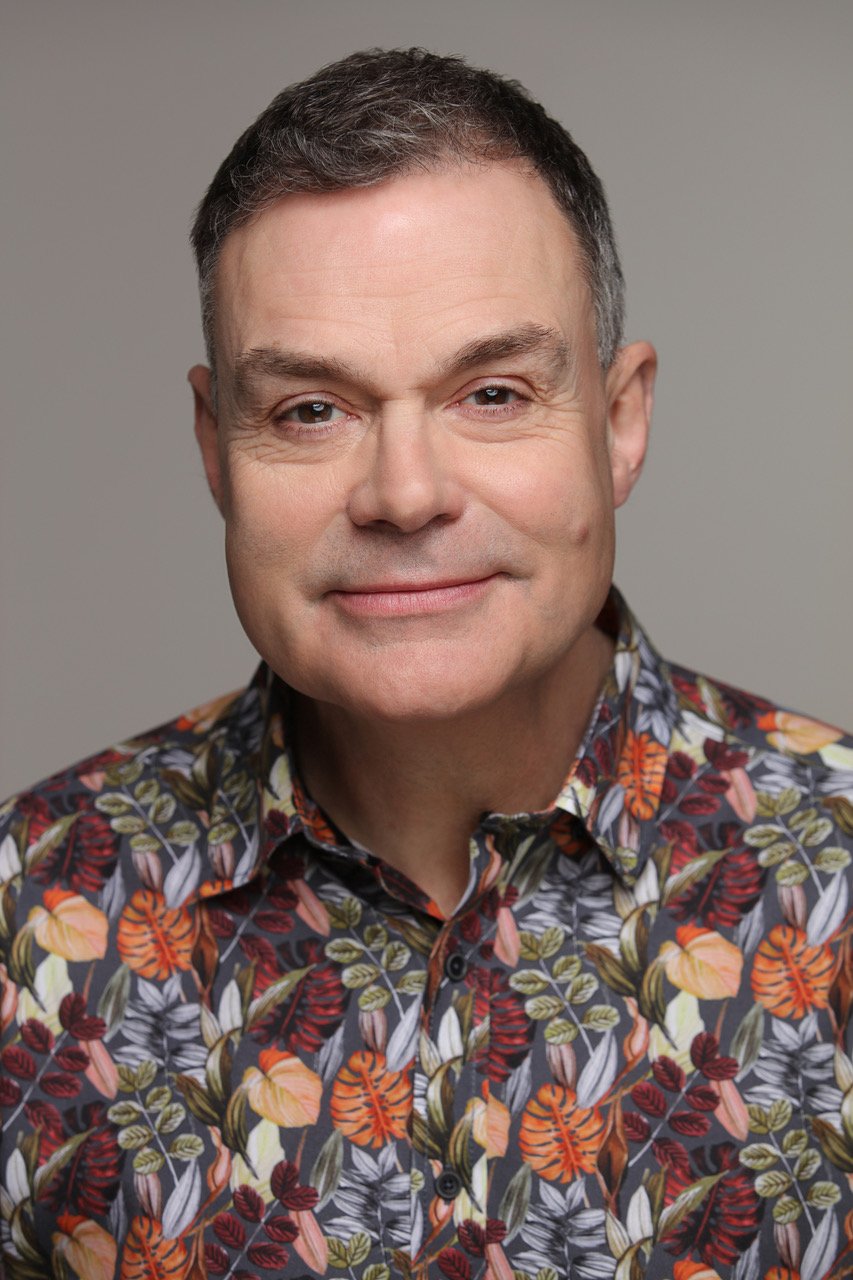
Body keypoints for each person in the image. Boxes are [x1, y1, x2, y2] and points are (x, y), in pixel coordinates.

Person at [1, 47, 851, 1280]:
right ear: (213, 447)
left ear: (621, 423)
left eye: (493, 393)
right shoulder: (33, 913)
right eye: (311, 411)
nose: (404, 493)